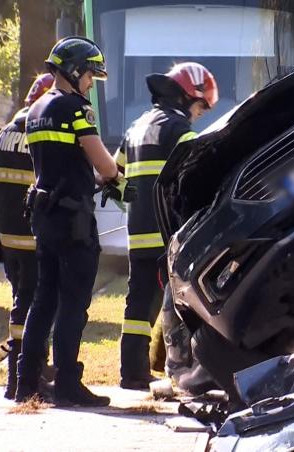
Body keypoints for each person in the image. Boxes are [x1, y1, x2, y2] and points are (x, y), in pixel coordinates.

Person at [15, 37, 120, 406]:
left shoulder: (36, 109)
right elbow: (104, 165)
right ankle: (67, 385)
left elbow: (52, 164)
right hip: (74, 219)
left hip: (44, 217)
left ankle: (25, 381)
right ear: (76, 70)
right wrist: (114, 175)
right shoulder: (77, 109)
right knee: (74, 302)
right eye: (91, 74)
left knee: (43, 299)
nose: (92, 82)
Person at [114, 62, 217, 390]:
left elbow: (112, 177)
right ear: (188, 97)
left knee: (138, 303)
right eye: (201, 106)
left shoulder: (135, 126)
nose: (201, 114)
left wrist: (134, 206)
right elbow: (196, 185)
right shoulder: (181, 132)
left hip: (137, 230)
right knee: (176, 303)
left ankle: (132, 372)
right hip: (168, 235)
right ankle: (178, 369)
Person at [0, 73, 54, 400]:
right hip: (39, 240)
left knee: (20, 303)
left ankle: (17, 374)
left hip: (9, 241)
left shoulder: (3, 135)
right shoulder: (46, 135)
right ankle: (27, 377)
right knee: (38, 307)